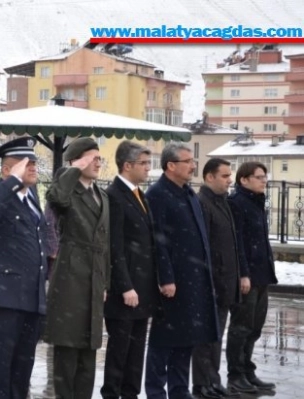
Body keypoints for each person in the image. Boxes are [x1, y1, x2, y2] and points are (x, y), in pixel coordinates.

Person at [144, 143, 219, 399]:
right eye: (187, 161)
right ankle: (155, 392)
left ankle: (179, 390)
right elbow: (158, 241)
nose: (193, 165)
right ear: (171, 165)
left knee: (187, 338)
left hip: (194, 278)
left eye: (192, 160)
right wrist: (166, 278)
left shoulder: (188, 193)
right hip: (173, 281)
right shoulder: (157, 194)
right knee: (163, 341)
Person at [0, 137, 47, 398]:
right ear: (7, 170)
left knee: (22, 372)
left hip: (30, 297)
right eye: (25, 163)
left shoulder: (31, 199)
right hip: (1, 297)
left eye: (34, 163)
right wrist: (12, 182)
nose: (32, 167)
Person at [46, 137, 110, 399]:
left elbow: (106, 243)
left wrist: (105, 282)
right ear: (76, 161)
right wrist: (73, 169)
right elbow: (56, 196)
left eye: (99, 158)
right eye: (91, 158)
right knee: (68, 345)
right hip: (71, 274)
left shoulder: (101, 195)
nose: (98, 163)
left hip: (94, 275)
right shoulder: (68, 190)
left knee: (89, 346)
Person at [101, 141, 158, 399]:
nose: (148, 168)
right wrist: (125, 286)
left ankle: (131, 394)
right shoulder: (114, 196)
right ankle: (113, 394)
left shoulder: (138, 194)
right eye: (144, 164)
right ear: (127, 166)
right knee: (119, 350)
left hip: (142, 287)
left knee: (136, 351)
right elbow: (115, 246)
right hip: (126, 289)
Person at [191, 158, 242, 399]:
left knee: (216, 336)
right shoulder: (202, 203)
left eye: (229, 175)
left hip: (224, 284)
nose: (229, 180)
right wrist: (207, 282)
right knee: (206, 338)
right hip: (211, 284)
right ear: (209, 177)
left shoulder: (222, 203)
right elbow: (203, 248)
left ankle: (213, 380)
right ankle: (202, 384)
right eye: (224, 176)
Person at [226, 161, 278, 393]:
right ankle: (235, 375)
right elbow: (238, 243)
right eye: (259, 177)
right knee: (241, 327)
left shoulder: (256, 203)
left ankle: (248, 371)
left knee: (255, 327)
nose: (264, 181)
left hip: (261, 275)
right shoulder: (237, 203)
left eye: (265, 177)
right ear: (243, 180)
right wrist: (243, 274)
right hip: (248, 277)